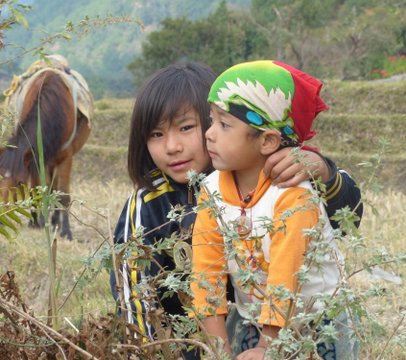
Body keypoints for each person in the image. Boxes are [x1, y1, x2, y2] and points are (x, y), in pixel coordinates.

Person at [110, 62, 361, 359]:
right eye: (155, 134)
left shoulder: (288, 174)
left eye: (187, 127)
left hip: (297, 325)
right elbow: (136, 297)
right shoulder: (150, 204)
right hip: (205, 339)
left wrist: (323, 171)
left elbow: (348, 220)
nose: (172, 146)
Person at [190, 60, 359, 359]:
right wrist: (218, 349)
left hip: (317, 324)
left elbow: (286, 277)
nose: (209, 133)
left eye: (224, 124)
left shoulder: (293, 196)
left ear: (268, 140)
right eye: (211, 120)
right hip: (252, 320)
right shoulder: (212, 190)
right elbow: (207, 273)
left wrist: (268, 350)